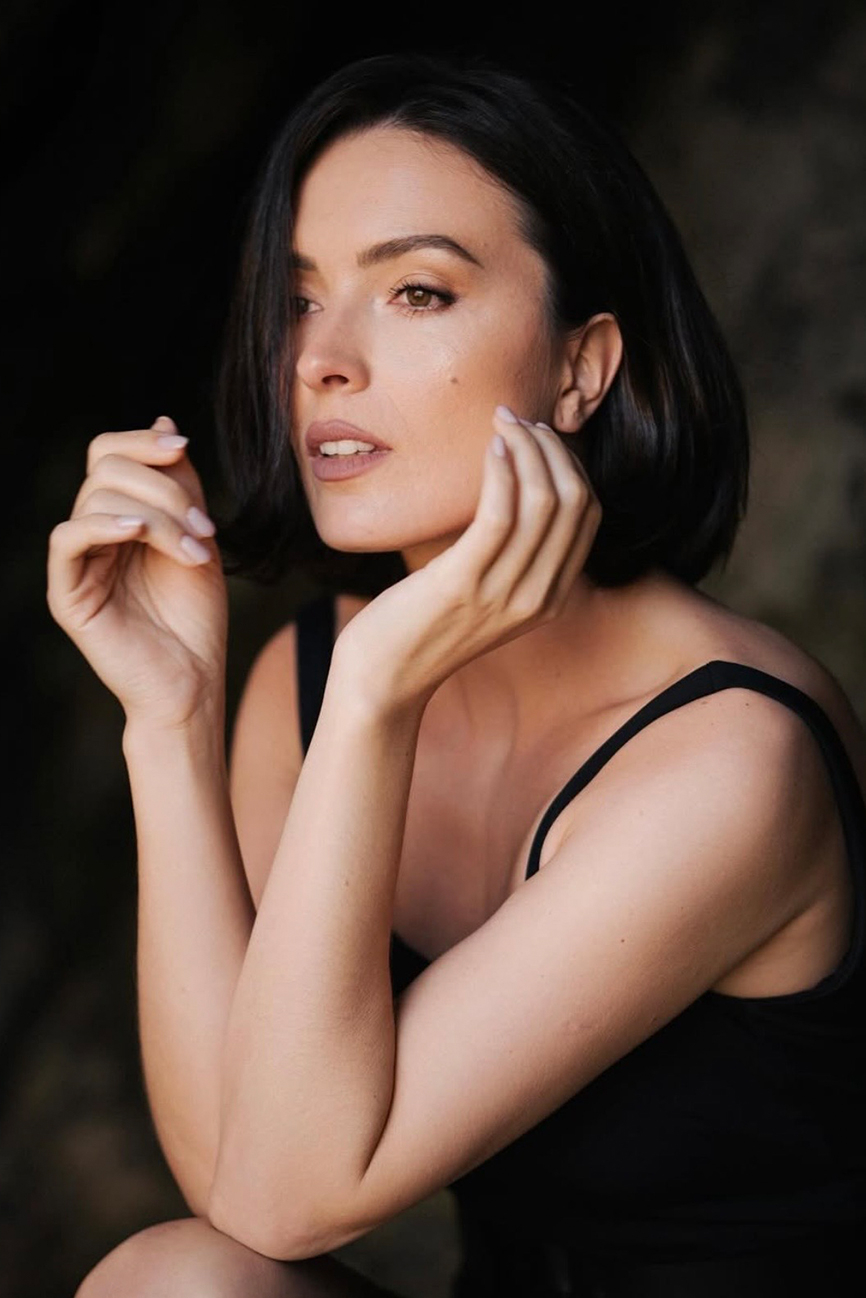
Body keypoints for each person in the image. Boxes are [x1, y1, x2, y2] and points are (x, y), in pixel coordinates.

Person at [48, 50, 865, 1298]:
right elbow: (236, 1179)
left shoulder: (732, 759)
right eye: (299, 298)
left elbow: (283, 1194)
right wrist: (172, 716)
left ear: (581, 368)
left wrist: (376, 692)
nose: (322, 359)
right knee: (178, 1278)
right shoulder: (311, 676)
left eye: (415, 291)